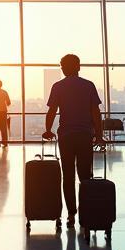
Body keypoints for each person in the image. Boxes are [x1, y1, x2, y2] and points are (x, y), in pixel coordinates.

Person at [43, 54, 104, 227]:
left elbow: (52, 111)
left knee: (67, 175)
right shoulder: (88, 85)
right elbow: (95, 112)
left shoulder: (58, 86)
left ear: (63, 68)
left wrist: (48, 130)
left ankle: (71, 213)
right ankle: (86, 211)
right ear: (78, 66)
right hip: (85, 135)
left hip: (66, 136)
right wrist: (98, 135)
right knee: (85, 175)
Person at [0, 80, 11, 146]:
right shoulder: (5, 92)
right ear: (1, 85)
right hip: (3, 111)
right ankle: (5, 142)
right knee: (3, 127)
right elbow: (8, 103)